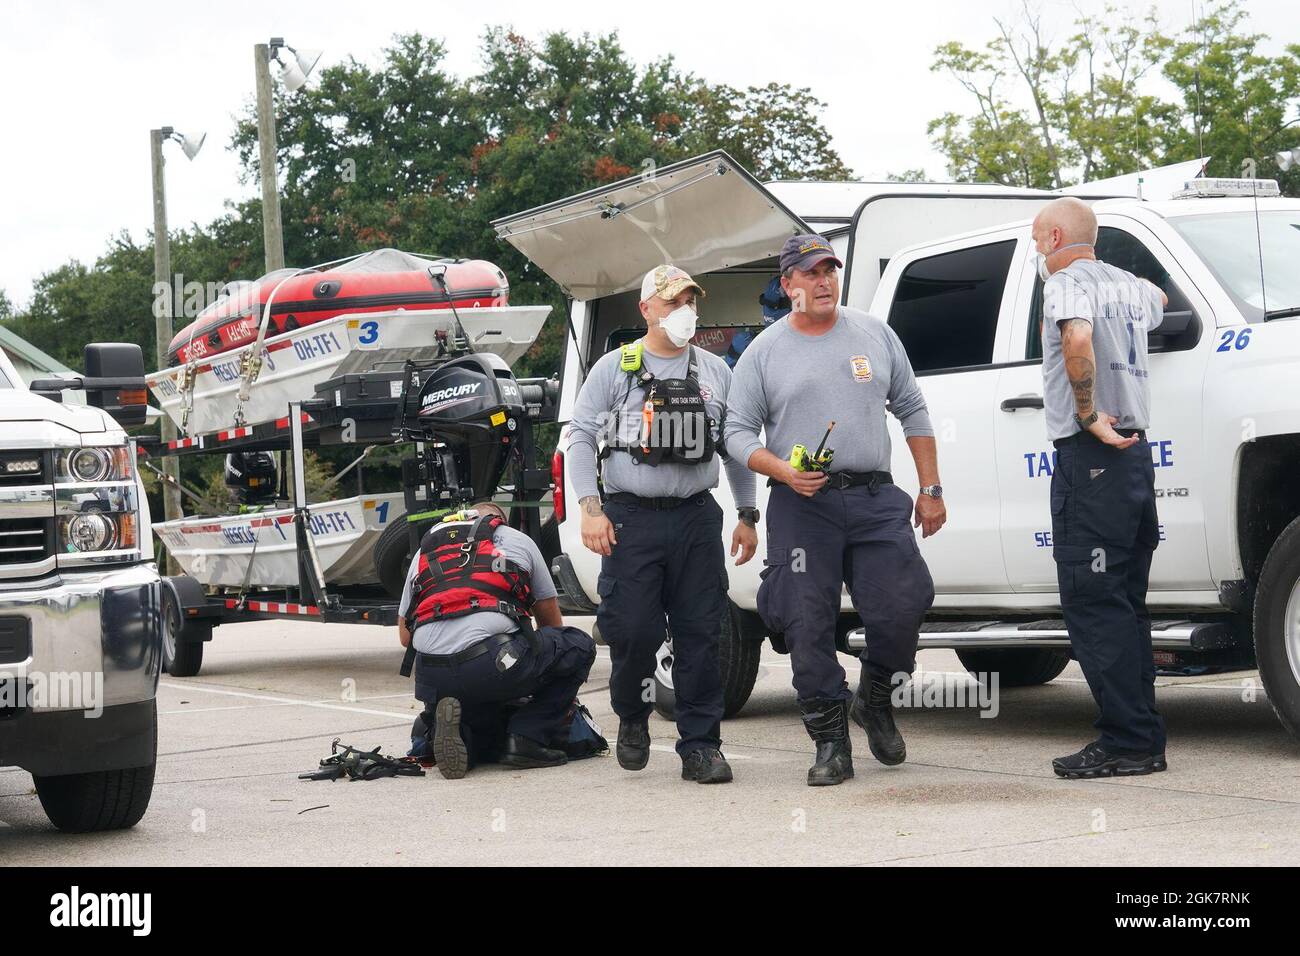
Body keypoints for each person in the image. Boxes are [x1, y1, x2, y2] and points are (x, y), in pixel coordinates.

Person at [726, 234, 945, 786]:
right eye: (811, 273)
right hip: (802, 505)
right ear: (788, 285)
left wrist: (931, 489)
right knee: (806, 621)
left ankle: (874, 698)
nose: (824, 281)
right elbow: (733, 432)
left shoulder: (873, 332)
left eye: (830, 270)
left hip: (875, 497)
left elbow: (913, 408)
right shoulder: (765, 351)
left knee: (904, 604)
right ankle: (830, 741)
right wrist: (780, 471)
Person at [568, 264, 758, 784]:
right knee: (632, 631)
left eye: (690, 303)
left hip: (696, 518)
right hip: (630, 520)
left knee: (701, 633)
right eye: (673, 303)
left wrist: (747, 514)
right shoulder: (616, 369)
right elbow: (581, 438)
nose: (684, 313)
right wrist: (590, 507)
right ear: (647, 309)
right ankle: (632, 716)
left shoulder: (716, 372)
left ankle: (701, 746)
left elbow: (736, 448)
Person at [1032, 197, 1169, 779]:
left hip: (1093, 456)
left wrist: (1088, 415)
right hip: (1135, 460)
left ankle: (1128, 741)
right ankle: (1141, 735)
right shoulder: (1132, 290)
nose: (1037, 249)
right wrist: (1133, 282)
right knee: (1126, 603)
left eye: (1039, 238)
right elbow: (1160, 299)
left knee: (1092, 603)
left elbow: (1078, 338)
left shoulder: (1065, 285)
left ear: (1058, 234)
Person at [397, 501, 596, 779]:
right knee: (577, 645)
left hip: (431, 677)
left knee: (479, 706)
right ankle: (527, 738)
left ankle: (463, 737)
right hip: (492, 663)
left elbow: (406, 637)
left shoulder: (426, 550)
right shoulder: (518, 540)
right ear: (499, 522)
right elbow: (551, 626)